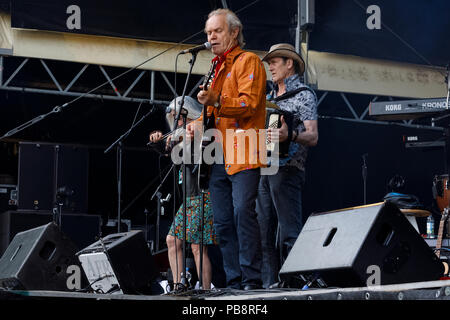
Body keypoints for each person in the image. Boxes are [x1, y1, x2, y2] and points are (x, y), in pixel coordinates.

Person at [187, 8, 266, 290]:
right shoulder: (215, 67)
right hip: (218, 155)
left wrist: (217, 100)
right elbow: (210, 112)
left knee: (242, 212)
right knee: (221, 222)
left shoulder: (249, 61)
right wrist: (195, 123)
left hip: (244, 150)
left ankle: (252, 280)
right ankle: (233, 281)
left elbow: (250, 104)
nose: (211, 37)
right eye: (208, 33)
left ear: (234, 32)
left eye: (217, 31)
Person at [256, 43, 318, 288]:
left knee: (289, 232)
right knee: (263, 235)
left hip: (288, 168)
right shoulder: (268, 98)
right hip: (265, 168)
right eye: (269, 62)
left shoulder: (304, 94)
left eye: (275, 61)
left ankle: (293, 285)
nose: (270, 66)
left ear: (289, 63)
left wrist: (289, 135)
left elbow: (313, 136)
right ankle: (268, 288)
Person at [149, 96, 217, 290]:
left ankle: (205, 290)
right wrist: (158, 141)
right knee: (173, 240)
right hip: (189, 199)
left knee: (198, 247)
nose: (177, 122)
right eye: (174, 118)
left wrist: (186, 137)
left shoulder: (203, 132)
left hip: (202, 195)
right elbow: (166, 149)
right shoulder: (180, 138)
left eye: (180, 117)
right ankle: (179, 285)